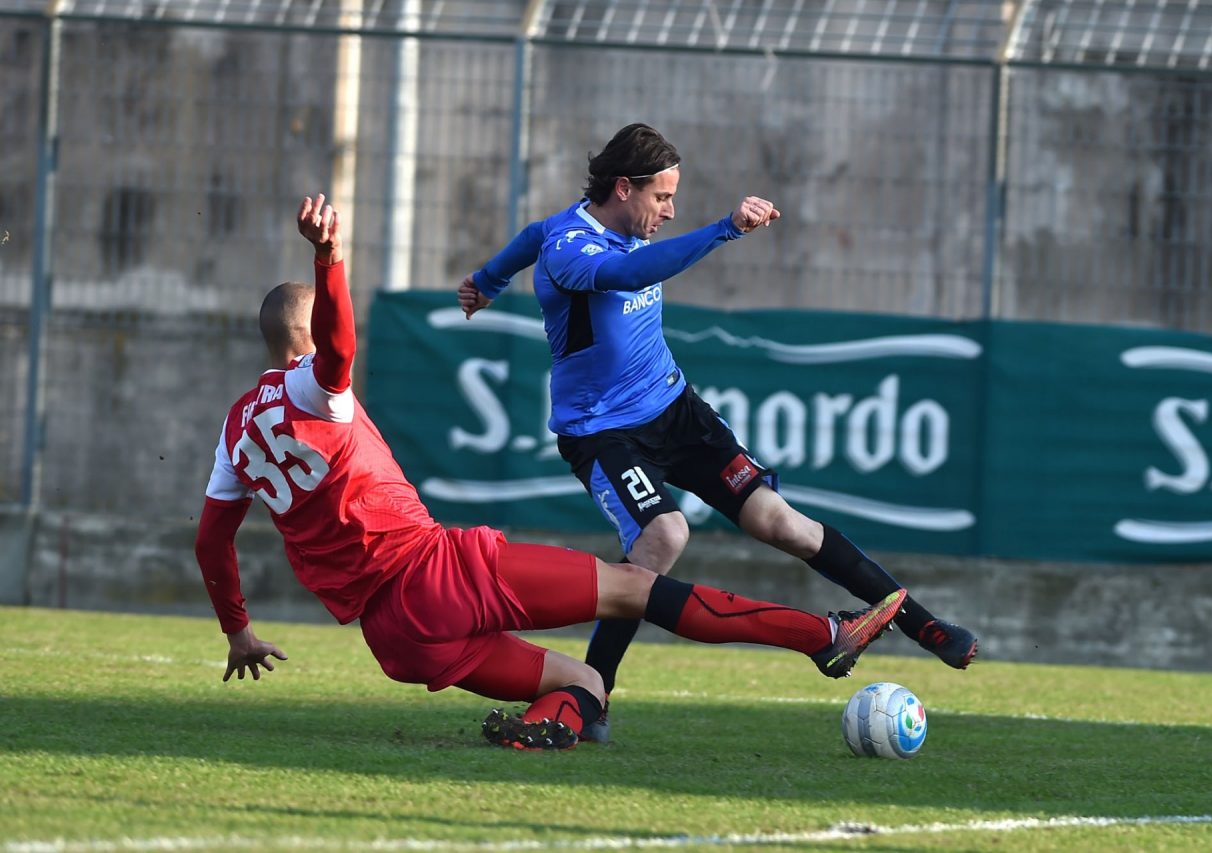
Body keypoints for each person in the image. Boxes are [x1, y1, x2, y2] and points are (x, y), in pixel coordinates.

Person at [194, 193, 907, 752]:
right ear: (309, 333)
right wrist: (330, 258)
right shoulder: (316, 387)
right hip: (436, 573)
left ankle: (554, 725)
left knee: (587, 681)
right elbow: (341, 349)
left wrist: (238, 631)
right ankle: (822, 635)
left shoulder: (233, 428)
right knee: (636, 588)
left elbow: (211, 541)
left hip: (394, 637)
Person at [457, 123, 978, 743]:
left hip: (676, 410)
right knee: (662, 535)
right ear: (623, 188)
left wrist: (487, 280)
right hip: (602, 431)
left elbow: (525, 237)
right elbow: (623, 270)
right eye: (662, 197)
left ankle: (926, 627)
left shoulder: (566, 231)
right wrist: (724, 228)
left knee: (782, 523)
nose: (671, 211)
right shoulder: (573, 248)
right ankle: (591, 694)